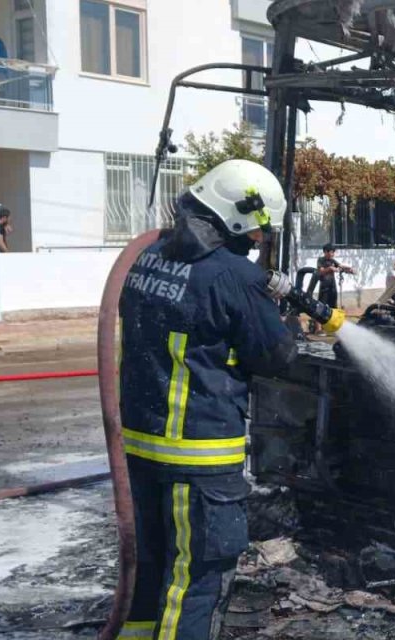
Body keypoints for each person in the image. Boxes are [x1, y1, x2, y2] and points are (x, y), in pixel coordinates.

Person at [118, 159, 298, 640]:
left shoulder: (148, 257)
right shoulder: (234, 276)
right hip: (199, 454)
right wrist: (283, 318)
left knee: (150, 565)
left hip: (140, 445)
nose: (257, 242)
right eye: (257, 231)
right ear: (237, 217)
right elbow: (277, 356)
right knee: (197, 578)